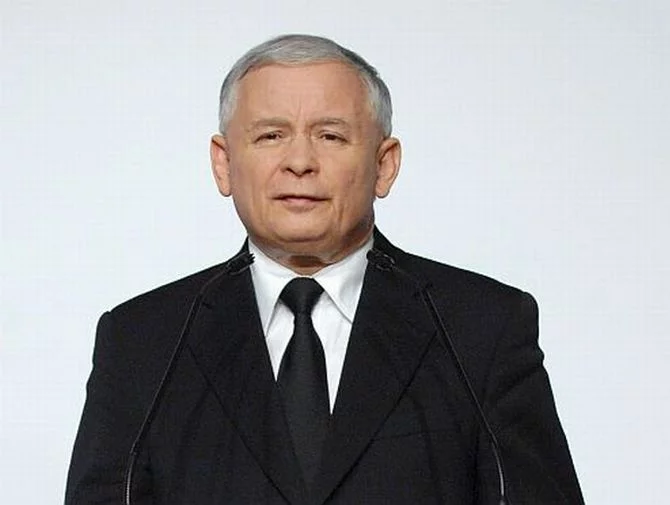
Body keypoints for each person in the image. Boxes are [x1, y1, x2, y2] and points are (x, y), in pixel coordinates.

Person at [65, 34, 584, 504]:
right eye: (271, 136)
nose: (300, 162)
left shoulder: (481, 330)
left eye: (330, 136)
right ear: (224, 164)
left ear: (384, 165)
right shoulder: (142, 341)